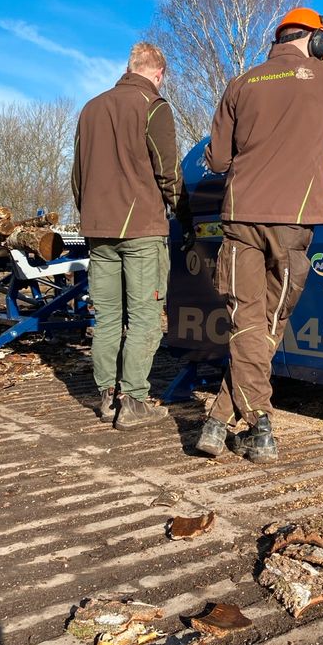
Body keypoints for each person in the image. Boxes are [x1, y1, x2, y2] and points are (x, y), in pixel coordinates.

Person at [196, 8, 323, 463]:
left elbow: (215, 160)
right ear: (319, 42)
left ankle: (217, 420)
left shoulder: (241, 83)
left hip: (239, 218)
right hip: (292, 221)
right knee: (268, 324)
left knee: (247, 322)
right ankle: (259, 424)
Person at [72, 41, 194, 431]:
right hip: (141, 229)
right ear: (159, 73)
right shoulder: (153, 106)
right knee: (144, 316)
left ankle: (107, 397)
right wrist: (185, 216)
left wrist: (90, 215)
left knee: (106, 315)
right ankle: (135, 401)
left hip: (98, 230)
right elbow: (167, 172)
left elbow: (77, 176)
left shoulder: (91, 109)